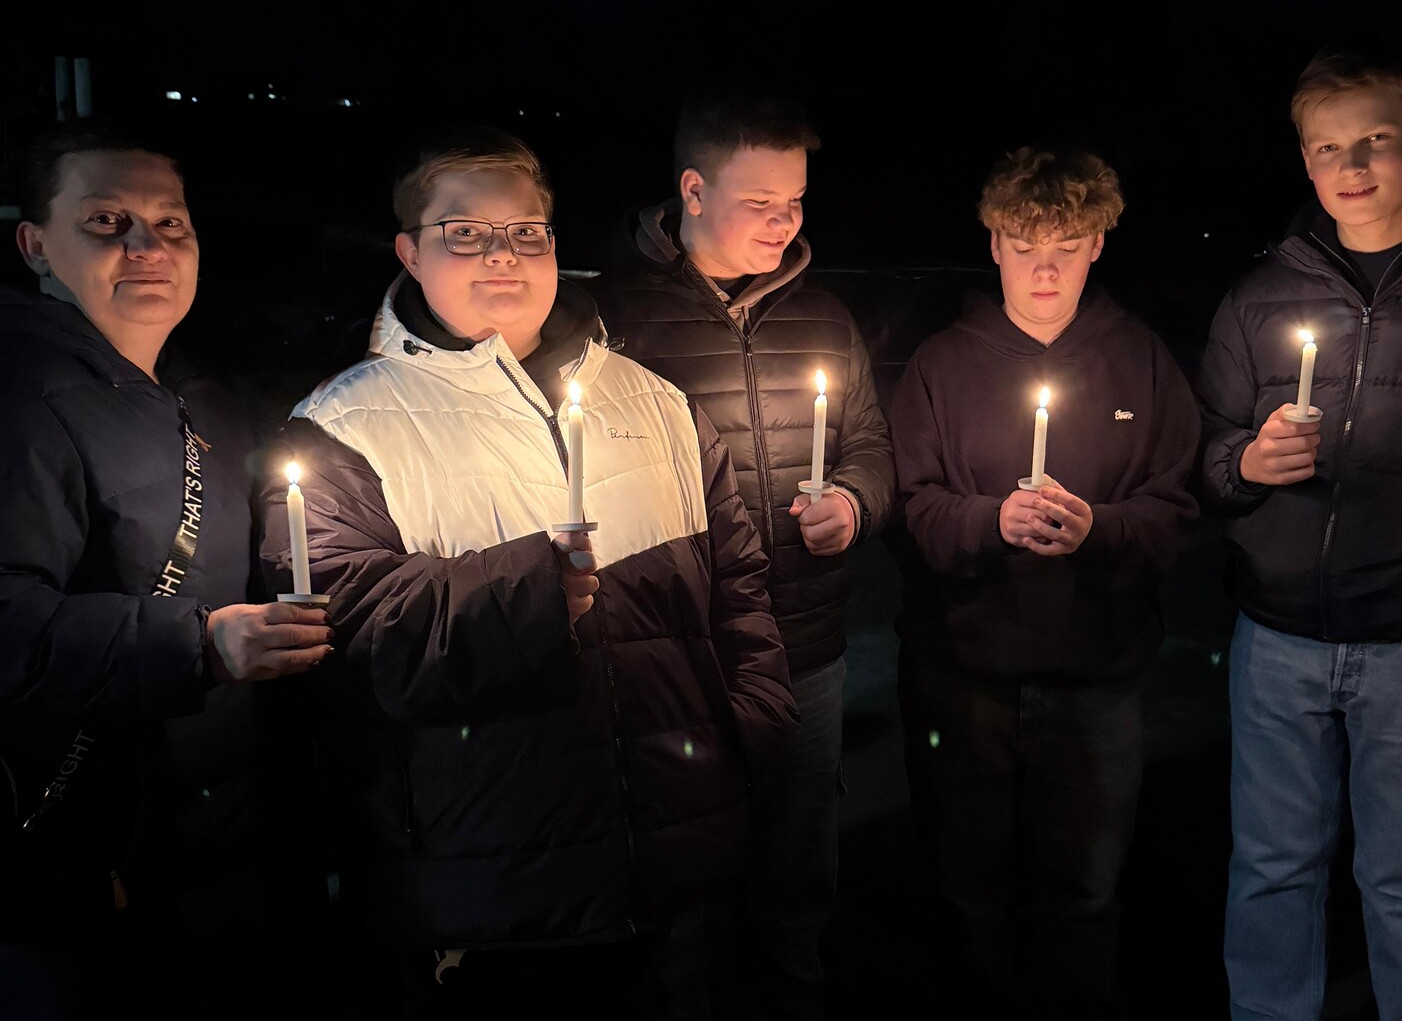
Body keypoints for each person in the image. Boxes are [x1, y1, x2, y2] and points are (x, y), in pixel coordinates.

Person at [258, 127, 797, 1020]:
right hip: (487, 887)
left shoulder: (656, 402)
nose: (501, 254)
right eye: (464, 233)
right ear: (409, 252)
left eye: (525, 232)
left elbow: (738, 591)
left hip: (678, 856)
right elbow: (358, 636)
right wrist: (536, 588)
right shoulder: (343, 427)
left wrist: (755, 727)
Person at [0, 122, 334, 1021]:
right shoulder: (21, 398)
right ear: (35, 246)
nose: (147, 246)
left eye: (169, 223)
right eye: (107, 222)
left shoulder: (200, 396)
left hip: (217, 855)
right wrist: (199, 645)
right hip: (88, 872)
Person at [1197, 35, 1402, 1021]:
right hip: (1278, 638)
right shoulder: (1260, 296)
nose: (1353, 166)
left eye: (1376, 139)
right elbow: (1203, 446)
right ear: (1305, 160)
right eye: (1329, 147)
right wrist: (1244, 463)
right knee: (1272, 873)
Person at [594, 90, 895, 1020]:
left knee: (797, 880)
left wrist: (852, 503)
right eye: (760, 201)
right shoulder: (610, 320)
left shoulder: (826, 317)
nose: (784, 222)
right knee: (681, 893)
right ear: (692, 190)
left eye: (795, 201)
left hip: (805, 650)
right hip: (680, 661)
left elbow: (870, 446)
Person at [887, 146, 1199, 1018]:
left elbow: (1175, 508)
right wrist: (992, 521)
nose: (1046, 268)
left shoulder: (1141, 361)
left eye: (1067, 245)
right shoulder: (942, 365)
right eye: (1025, 246)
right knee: (966, 893)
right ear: (994, 243)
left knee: (1084, 897)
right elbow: (909, 509)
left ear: (1099, 243)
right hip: (962, 677)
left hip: (1098, 680)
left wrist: (1100, 529)